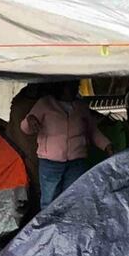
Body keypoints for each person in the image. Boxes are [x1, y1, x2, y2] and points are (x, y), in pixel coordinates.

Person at [22, 81, 112, 209]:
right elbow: (25, 129)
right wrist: (29, 120)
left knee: (73, 198)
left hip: (76, 162)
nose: (76, 89)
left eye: (77, 86)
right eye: (72, 86)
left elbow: (92, 130)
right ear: (61, 87)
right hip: (50, 163)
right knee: (50, 200)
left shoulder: (81, 107)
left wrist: (107, 145)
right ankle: (49, 228)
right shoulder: (45, 103)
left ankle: (69, 227)